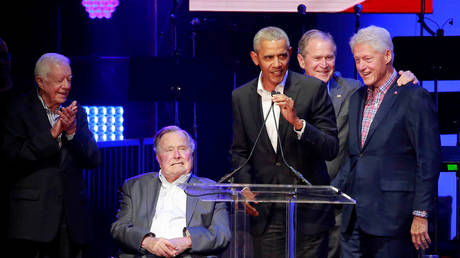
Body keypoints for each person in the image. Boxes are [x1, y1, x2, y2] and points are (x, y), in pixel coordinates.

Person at [296, 29, 419, 258]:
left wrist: (408, 77)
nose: (324, 64)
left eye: (329, 57)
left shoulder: (355, 91)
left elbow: (388, 86)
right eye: (317, 58)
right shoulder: (286, 93)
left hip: (341, 201)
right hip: (299, 204)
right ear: (302, 60)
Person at [333, 25, 440, 257]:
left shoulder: (413, 96)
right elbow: (356, 156)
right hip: (355, 220)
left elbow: (428, 160)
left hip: (394, 220)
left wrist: (421, 214)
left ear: (388, 55)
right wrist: (329, 192)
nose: (361, 66)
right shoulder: (357, 98)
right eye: (357, 60)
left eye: (368, 59)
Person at [231, 26, 338, 258]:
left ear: (290, 53)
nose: (277, 63)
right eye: (269, 57)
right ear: (255, 58)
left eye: (282, 55)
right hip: (266, 211)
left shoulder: (313, 89)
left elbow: (331, 148)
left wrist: (299, 123)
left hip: (310, 211)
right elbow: (240, 151)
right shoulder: (241, 97)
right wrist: (246, 189)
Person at [2, 53, 101, 257]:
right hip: (32, 223)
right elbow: (11, 158)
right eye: (60, 80)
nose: (66, 85)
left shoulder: (76, 113)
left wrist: (72, 132)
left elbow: (93, 159)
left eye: (69, 79)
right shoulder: (17, 109)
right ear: (41, 81)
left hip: (72, 221)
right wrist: (52, 135)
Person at [111, 125, 231, 258]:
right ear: (158, 157)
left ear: (191, 153)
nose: (177, 155)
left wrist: (186, 242)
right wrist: (148, 242)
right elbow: (119, 228)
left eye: (183, 149)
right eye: (169, 150)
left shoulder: (211, 189)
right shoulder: (134, 187)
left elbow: (222, 234)